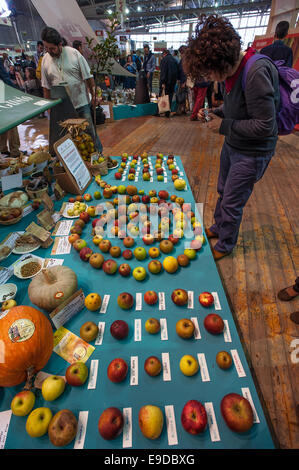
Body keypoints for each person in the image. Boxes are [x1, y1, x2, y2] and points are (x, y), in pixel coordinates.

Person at [183, 15, 280, 260]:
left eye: (210, 72)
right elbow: (240, 106)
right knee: (223, 191)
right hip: (234, 145)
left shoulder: (255, 71)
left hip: (252, 152)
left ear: (221, 61)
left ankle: (225, 244)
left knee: (232, 201)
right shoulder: (233, 72)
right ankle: (218, 228)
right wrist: (217, 111)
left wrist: (224, 125)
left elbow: (265, 125)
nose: (210, 78)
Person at [41, 26, 103, 153]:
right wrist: (48, 108)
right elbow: (46, 86)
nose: (49, 51)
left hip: (80, 104)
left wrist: (94, 95)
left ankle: (98, 157)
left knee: (89, 132)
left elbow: (88, 77)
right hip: (61, 108)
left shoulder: (74, 54)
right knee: (66, 138)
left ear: (60, 44)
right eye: (46, 48)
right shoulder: (45, 60)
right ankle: (74, 163)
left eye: (52, 48)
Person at [0, 60, 22, 157]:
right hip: (3, 95)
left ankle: (3, 149)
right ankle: (15, 151)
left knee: (2, 122)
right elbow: (5, 78)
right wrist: (16, 93)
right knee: (12, 122)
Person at [158, 49, 179, 117]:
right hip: (172, 82)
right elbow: (176, 71)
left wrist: (163, 82)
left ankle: (160, 111)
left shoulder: (165, 60)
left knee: (162, 96)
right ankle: (167, 112)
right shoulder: (174, 60)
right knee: (169, 97)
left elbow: (164, 72)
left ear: (164, 54)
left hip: (166, 82)